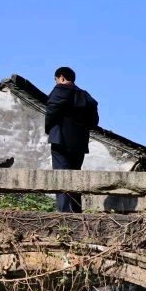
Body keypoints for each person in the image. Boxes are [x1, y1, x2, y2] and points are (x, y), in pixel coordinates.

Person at [44, 66, 99, 213]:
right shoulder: (86, 97)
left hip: (60, 140)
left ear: (61, 78)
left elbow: (50, 112)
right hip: (79, 144)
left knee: (62, 177)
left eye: (56, 80)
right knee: (75, 177)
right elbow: (94, 122)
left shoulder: (60, 91)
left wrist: (49, 128)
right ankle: (76, 212)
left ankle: (64, 214)